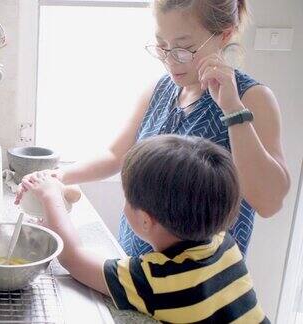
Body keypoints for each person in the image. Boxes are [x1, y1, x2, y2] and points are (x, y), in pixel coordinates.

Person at [17, 0, 290, 257]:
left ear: (224, 34)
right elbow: (116, 155)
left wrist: (232, 109)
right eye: (161, 46)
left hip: (200, 288)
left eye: (184, 48)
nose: (170, 59)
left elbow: (269, 202)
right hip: (139, 271)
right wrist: (57, 176)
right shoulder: (161, 89)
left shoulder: (251, 98)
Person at [21, 135, 269, 323]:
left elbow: (74, 258)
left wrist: (51, 196)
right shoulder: (224, 243)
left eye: (127, 198)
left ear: (146, 221)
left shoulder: (158, 281)